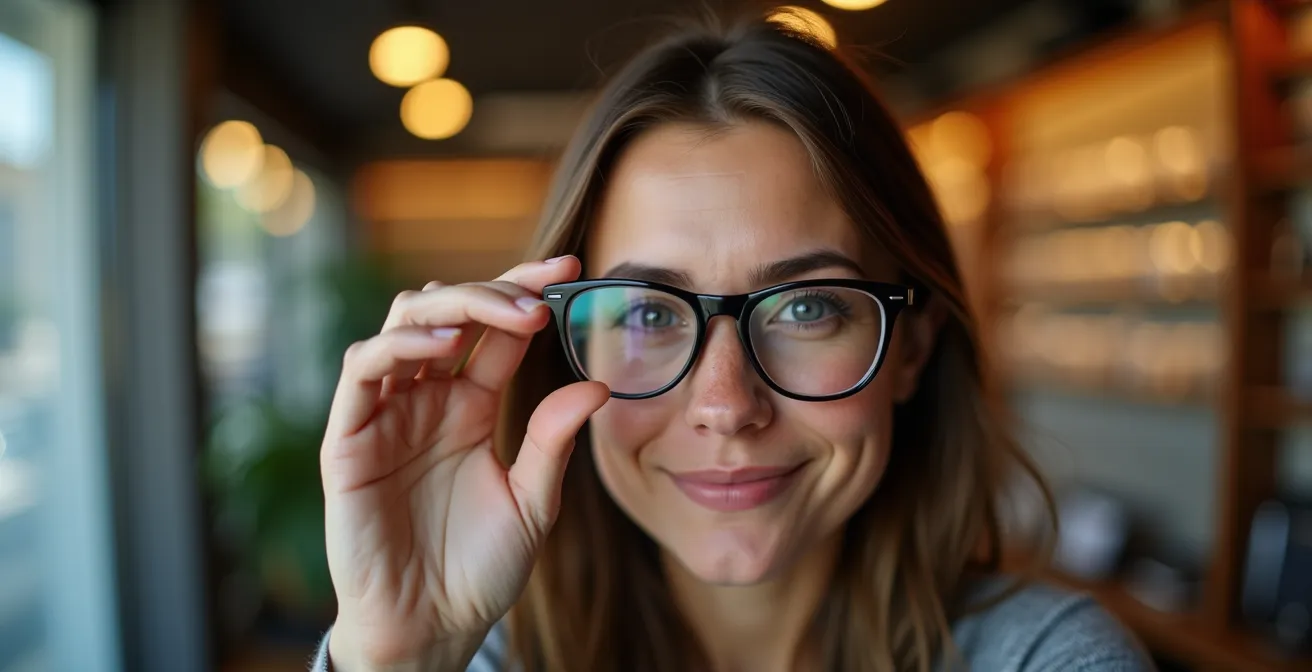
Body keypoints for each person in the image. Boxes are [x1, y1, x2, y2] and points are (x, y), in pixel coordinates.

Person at [312, 9, 1153, 672]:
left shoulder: (1047, 659)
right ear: (563, 351)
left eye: (806, 308)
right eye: (647, 313)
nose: (725, 406)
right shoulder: (477, 656)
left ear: (911, 350)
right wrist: (396, 661)